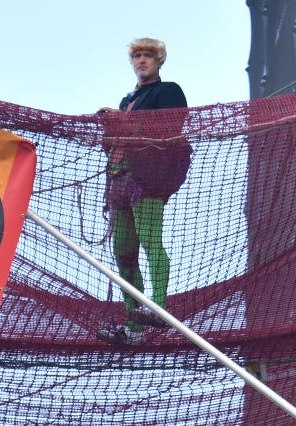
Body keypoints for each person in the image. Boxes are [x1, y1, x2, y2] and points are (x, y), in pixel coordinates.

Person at [97, 37, 191, 346]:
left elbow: (169, 128)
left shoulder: (168, 91)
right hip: (120, 178)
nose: (142, 60)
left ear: (159, 60)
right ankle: (133, 327)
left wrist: (123, 122)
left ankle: (160, 308)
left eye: (148, 56)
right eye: (137, 55)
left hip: (148, 180)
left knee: (150, 239)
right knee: (123, 253)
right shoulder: (128, 100)